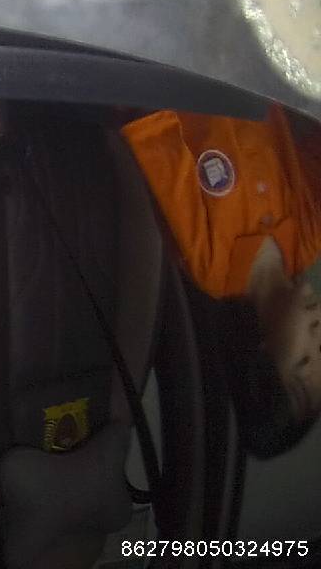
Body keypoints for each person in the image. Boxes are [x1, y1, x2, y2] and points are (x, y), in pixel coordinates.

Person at [122, 105, 321, 456]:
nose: (318, 336)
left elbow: (153, 127)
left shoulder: (212, 264)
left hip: (184, 76)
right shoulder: (308, 238)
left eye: (304, 359)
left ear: (260, 355)